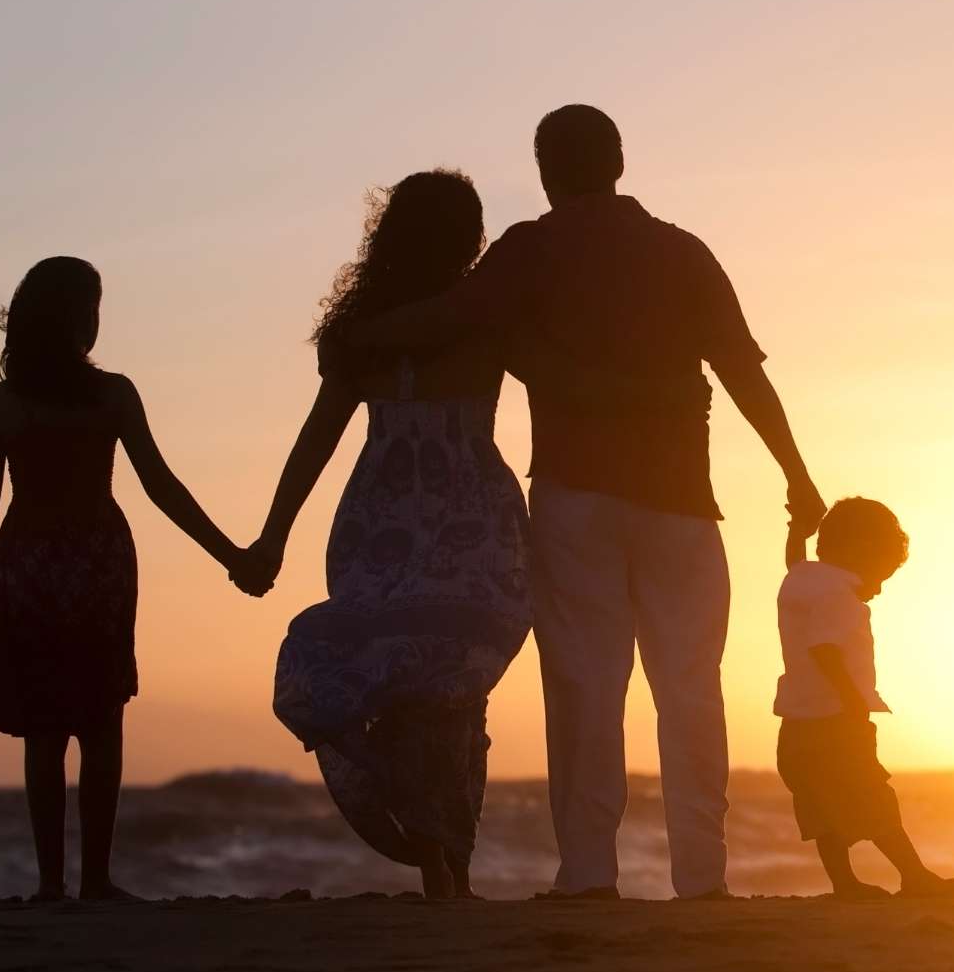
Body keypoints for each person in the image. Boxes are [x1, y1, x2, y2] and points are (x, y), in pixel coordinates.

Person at [345, 104, 824, 900]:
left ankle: (591, 877)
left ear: (544, 170)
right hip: (682, 504)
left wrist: (359, 337)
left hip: (578, 500)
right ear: (621, 162)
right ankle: (702, 879)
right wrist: (797, 478)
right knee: (691, 690)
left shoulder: (531, 248)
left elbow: (450, 316)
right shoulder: (683, 252)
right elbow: (745, 375)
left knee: (585, 688)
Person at [243, 171, 533, 899]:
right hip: (471, 517)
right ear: (468, 237)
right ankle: (448, 862)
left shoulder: (361, 333)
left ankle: (439, 856)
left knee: (409, 684)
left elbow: (315, 442)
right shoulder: (484, 316)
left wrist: (274, 535)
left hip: (381, 522)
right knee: (455, 689)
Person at [0, 256, 250, 902]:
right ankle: (96, 880)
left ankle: (49, 884)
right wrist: (231, 555)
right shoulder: (112, 394)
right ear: (75, 318)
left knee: (43, 731)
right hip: (97, 566)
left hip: (29, 566)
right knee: (100, 723)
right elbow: (162, 488)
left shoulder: (6, 402)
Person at [773, 497, 954, 898]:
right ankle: (913, 875)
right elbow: (824, 648)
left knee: (821, 807)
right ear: (860, 552)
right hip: (835, 721)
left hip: (795, 727)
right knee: (873, 798)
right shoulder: (839, 597)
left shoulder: (803, 578)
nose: (875, 590)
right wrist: (853, 701)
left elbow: (795, 561)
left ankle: (844, 883)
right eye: (880, 574)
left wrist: (796, 532)